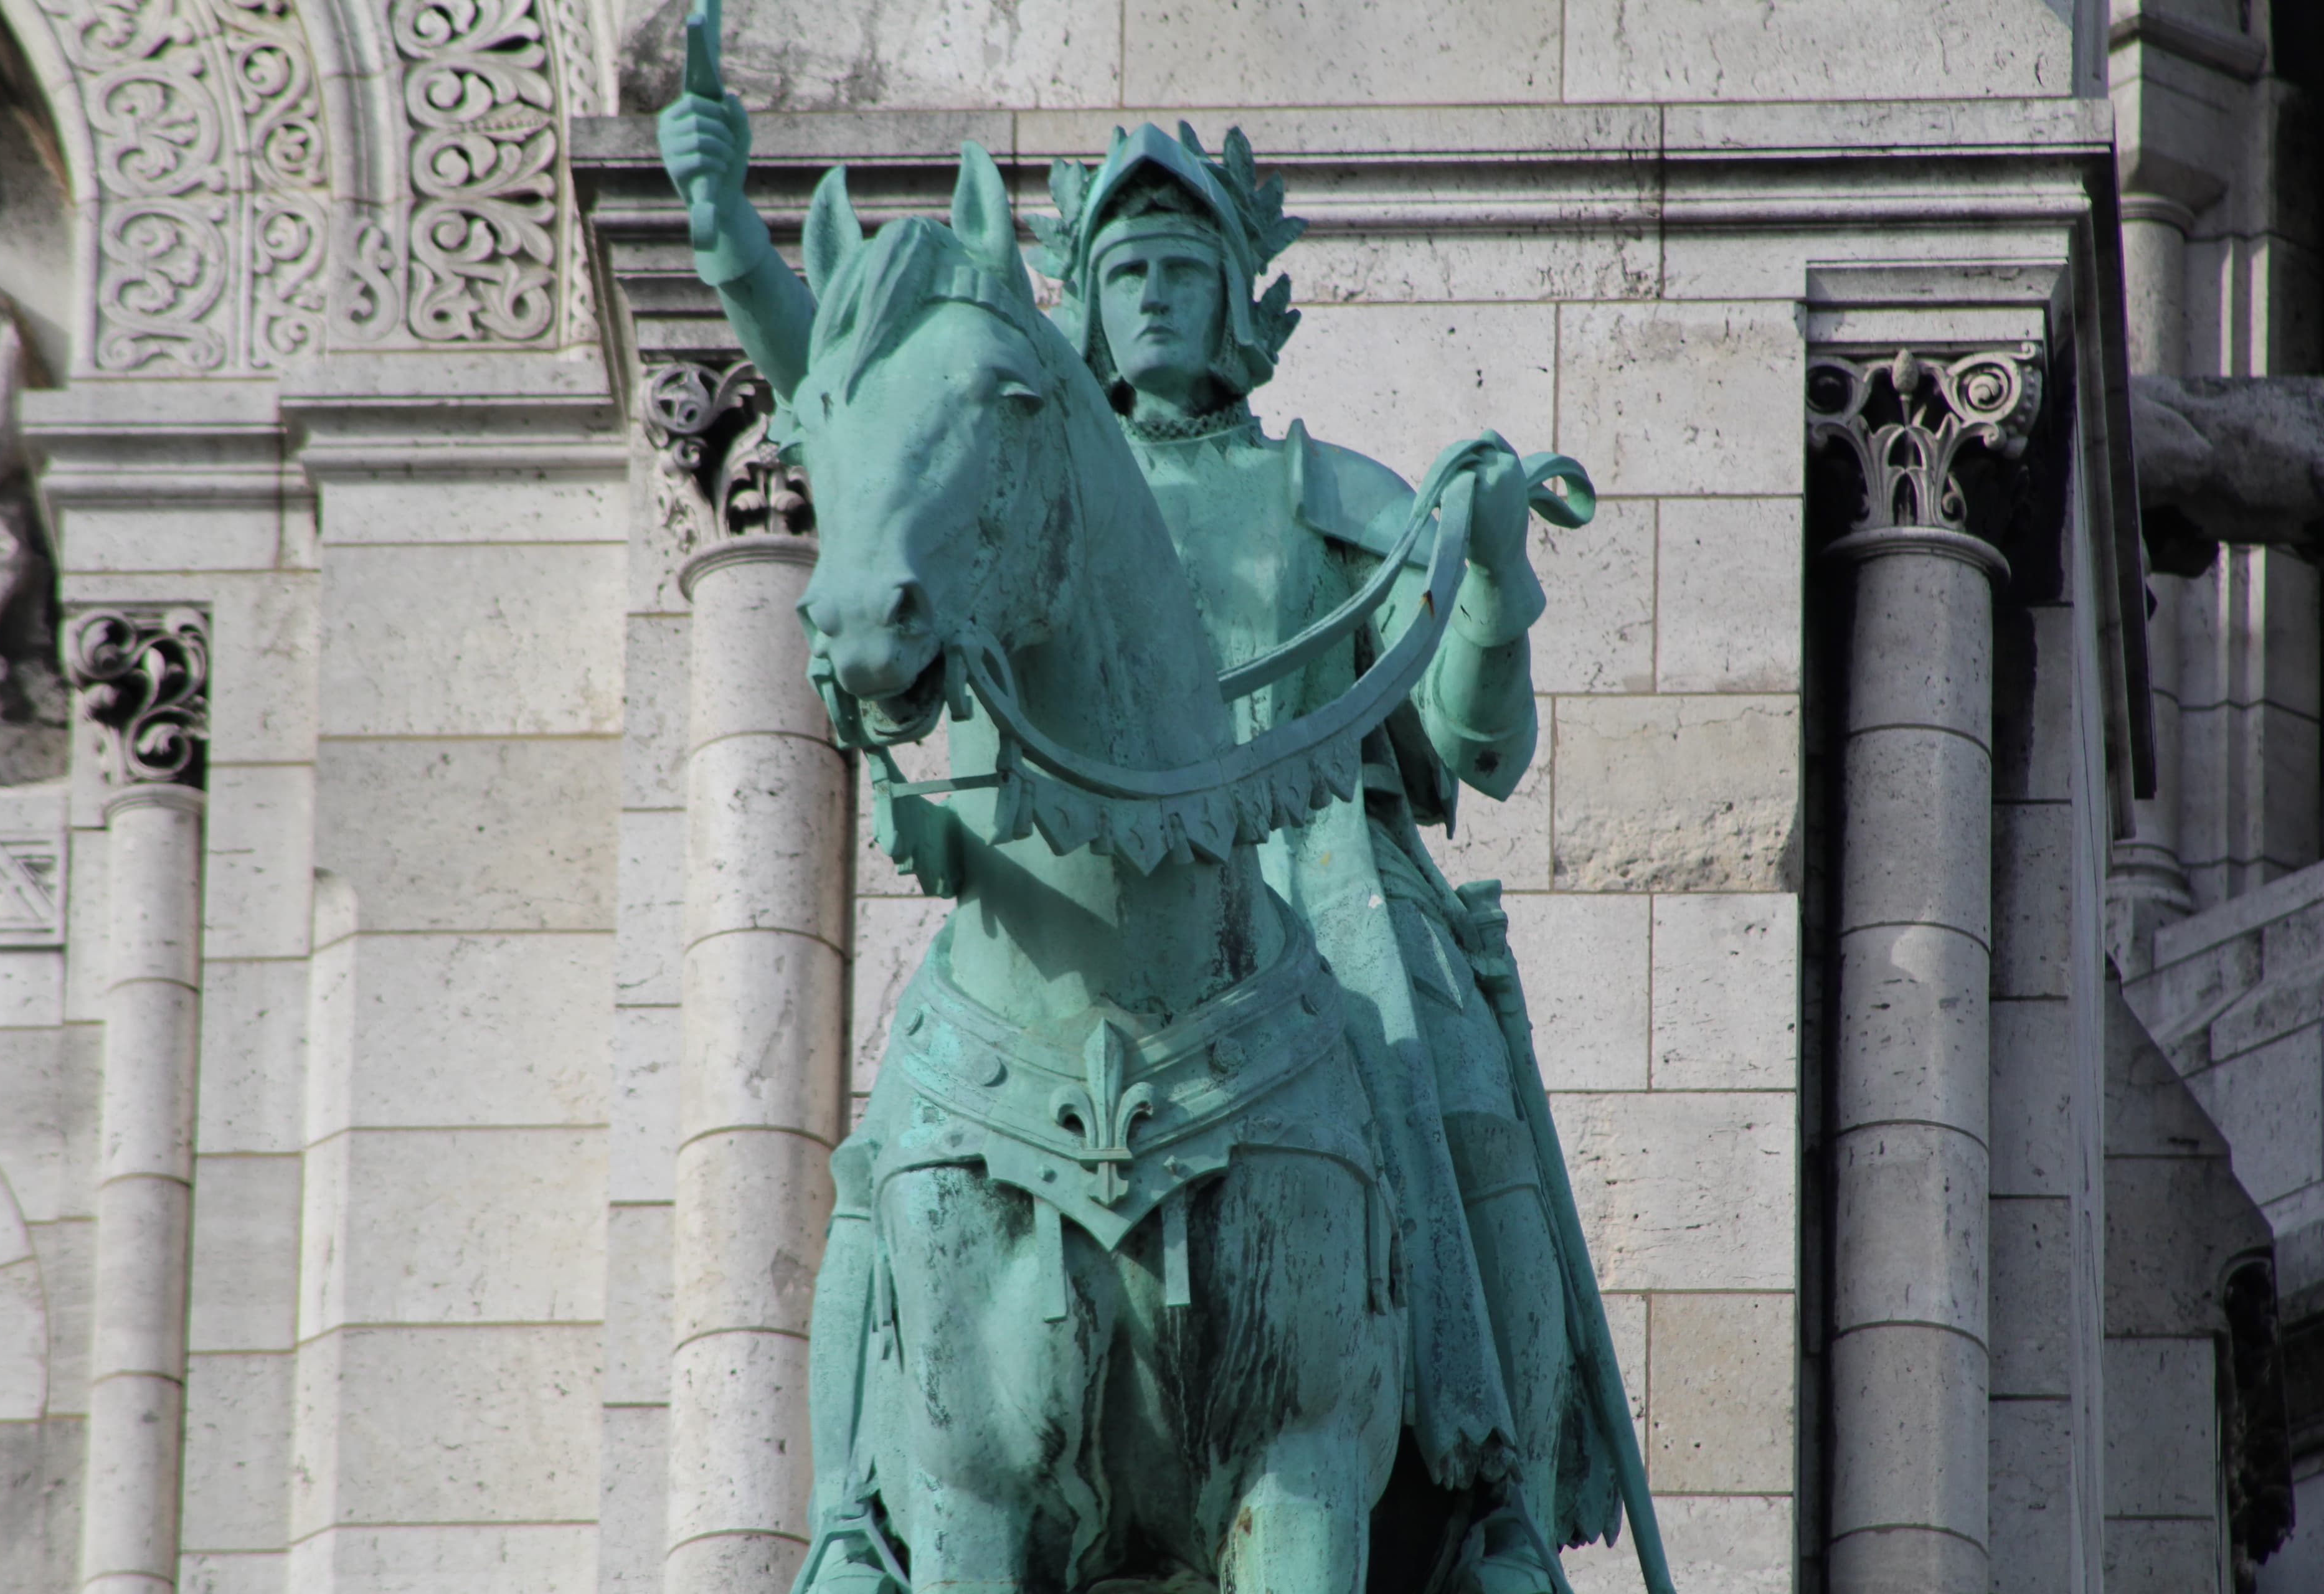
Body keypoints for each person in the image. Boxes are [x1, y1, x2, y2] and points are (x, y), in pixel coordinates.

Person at [660, 93, 1637, 1594]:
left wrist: (1494, 574)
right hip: (1062, 882)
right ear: (1084, 316)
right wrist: (732, 244)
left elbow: (1470, 744)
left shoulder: (1328, 499)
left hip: (1322, 872)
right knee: (890, 1139)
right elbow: (835, 383)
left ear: (1242, 301)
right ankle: (860, 1503)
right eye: (1126, 273)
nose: (1158, 294)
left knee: (1448, 1068)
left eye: (1186, 267)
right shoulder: (1017, 461)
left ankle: (1488, 1490)